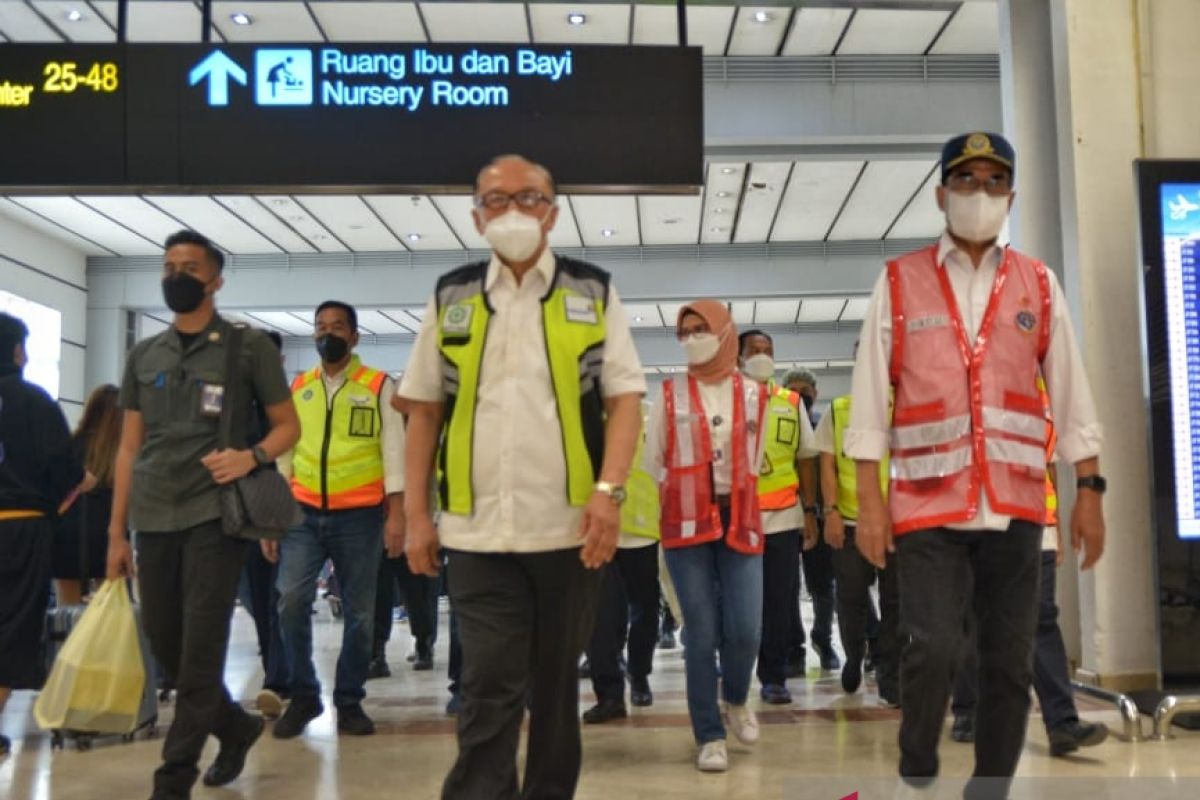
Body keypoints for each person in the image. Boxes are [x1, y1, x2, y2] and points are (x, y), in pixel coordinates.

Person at [846, 132, 1106, 798]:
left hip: (1016, 504)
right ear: (941, 195)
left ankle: (990, 784)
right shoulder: (900, 280)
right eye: (967, 182)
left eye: (994, 183)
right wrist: (870, 504)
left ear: (1011, 196)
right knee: (933, 645)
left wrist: (1090, 488)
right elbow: (872, 397)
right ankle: (917, 753)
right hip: (928, 506)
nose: (980, 195)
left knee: (1010, 660)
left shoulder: (1037, 284)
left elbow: (1072, 389)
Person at [400, 154, 645, 799]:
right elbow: (424, 410)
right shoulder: (451, 296)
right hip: (477, 533)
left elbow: (624, 401)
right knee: (487, 686)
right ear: (477, 214)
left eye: (530, 198)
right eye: (497, 199)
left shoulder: (592, 291)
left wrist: (609, 493)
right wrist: (419, 516)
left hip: (568, 532)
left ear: (554, 213)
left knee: (557, 688)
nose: (514, 211)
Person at [106, 230, 300, 800]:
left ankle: (172, 779)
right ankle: (235, 726)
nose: (177, 275)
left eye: (191, 267)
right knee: (166, 645)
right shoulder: (146, 354)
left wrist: (251, 455)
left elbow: (289, 425)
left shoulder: (246, 347)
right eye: (169, 266)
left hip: (216, 517)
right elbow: (126, 448)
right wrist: (116, 532)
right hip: (153, 514)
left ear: (216, 280)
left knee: (200, 651)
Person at [950, 381, 1108, 757]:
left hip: (1034, 522)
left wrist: (1052, 525)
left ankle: (1062, 723)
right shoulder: (967, 377)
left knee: (1040, 620)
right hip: (977, 519)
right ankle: (968, 710)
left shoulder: (1042, 389)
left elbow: (1048, 462)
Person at [273, 300, 406, 739]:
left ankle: (349, 700)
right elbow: (286, 450)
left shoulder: (377, 385)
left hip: (361, 517)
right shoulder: (301, 385)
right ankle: (305, 694)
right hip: (301, 513)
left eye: (336, 327)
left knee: (361, 614)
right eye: (320, 327)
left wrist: (397, 514)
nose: (327, 334)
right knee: (291, 601)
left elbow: (394, 452)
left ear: (354, 337)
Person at [645, 300, 768, 773]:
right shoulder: (670, 393)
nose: (692, 337)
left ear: (724, 332)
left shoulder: (756, 394)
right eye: (686, 330)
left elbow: (756, 461)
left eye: (702, 328)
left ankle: (736, 698)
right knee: (701, 631)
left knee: (744, 628)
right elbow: (654, 460)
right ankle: (709, 734)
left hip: (740, 515)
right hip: (685, 521)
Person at [0, 312, 91, 758]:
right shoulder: (34, 401)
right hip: (19, 524)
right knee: (14, 622)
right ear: (17, 351)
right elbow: (64, 468)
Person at [738, 330, 817, 705]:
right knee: (737, 603)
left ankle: (774, 676)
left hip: (784, 519)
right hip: (736, 518)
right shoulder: (727, 398)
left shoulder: (790, 401)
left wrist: (812, 513)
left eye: (768, 350)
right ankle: (734, 671)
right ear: (738, 357)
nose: (762, 355)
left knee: (778, 604)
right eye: (754, 350)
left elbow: (805, 459)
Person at [815, 382, 900, 706]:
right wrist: (831, 512)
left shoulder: (907, 409)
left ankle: (890, 675)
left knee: (897, 602)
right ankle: (855, 653)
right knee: (851, 598)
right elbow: (827, 466)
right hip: (850, 523)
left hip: (897, 525)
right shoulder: (837, 412)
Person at [582, 409, 661, 723]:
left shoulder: (649, 418)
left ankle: (639, 675)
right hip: (597, 531)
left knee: (646, 610)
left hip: (640, 530)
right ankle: (610, 694)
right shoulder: (583, 418)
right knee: (601, 616)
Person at [240, 330, 291, 719]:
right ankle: (275, 667)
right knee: (257, 598)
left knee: (277, 599)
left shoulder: (289, 406)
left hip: (275, 514)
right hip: (235, 516)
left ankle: (278, 679)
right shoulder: (232, 405)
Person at [782, 368, 839, 673]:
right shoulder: (779, 426)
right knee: (788, 587)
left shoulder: (824, 427)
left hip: (819, 515)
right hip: (787, 517)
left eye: (806, 390)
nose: (801, 396)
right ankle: (795, 649)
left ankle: (823, 638)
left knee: (823, 585)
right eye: (795, 390)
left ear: (815, 394)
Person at [52, 383, 120, 605]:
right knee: (109, 608)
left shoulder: (70, 444)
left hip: (67, 533)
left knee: (68, 610)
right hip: (108, 533)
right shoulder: (121, 451)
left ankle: (70, 641)